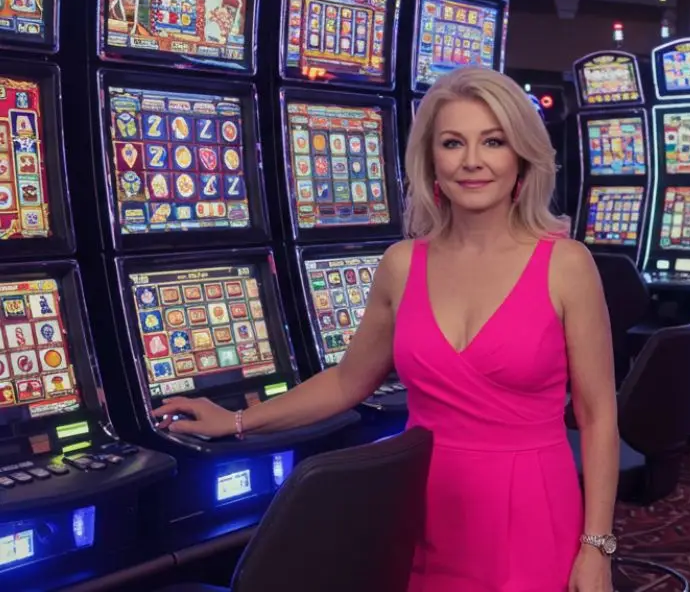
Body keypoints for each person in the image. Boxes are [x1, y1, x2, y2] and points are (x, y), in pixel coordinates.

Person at [153, 66, 619, 592]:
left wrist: (597, 546)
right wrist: (238, 420)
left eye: (493, 141)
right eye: (452, 143)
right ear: (431, 159)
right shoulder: (401, 263)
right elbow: (347, 382)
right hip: (419, 504)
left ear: (522, 156)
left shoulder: (567, 265)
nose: (472, 161)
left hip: (530, 508)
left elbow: (598, 416)